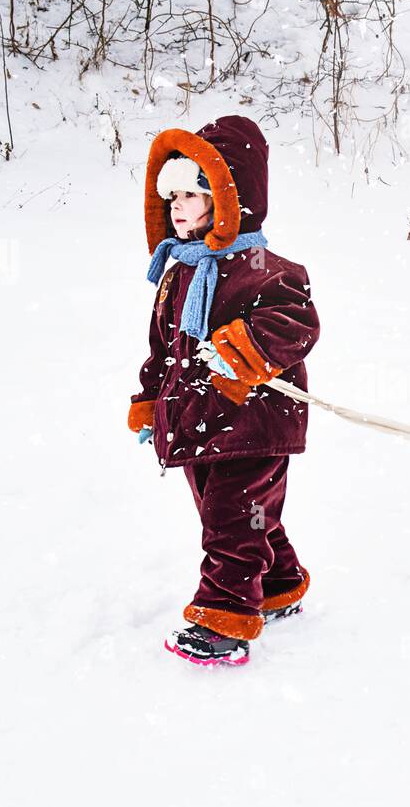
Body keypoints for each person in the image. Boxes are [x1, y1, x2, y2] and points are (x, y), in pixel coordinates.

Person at [128, 115, 320, 667]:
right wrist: (149, 400)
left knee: (231, 521)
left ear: (229, 197)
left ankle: (225, 618)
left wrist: (240, 350)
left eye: (192, 192)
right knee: (243, 515)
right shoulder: (180, 269)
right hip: (197, 419)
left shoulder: (265, 268)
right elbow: (162, 346)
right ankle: (280, 582)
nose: (177, 205)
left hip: (256, 422)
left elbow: (297, 322)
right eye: (172, 195)